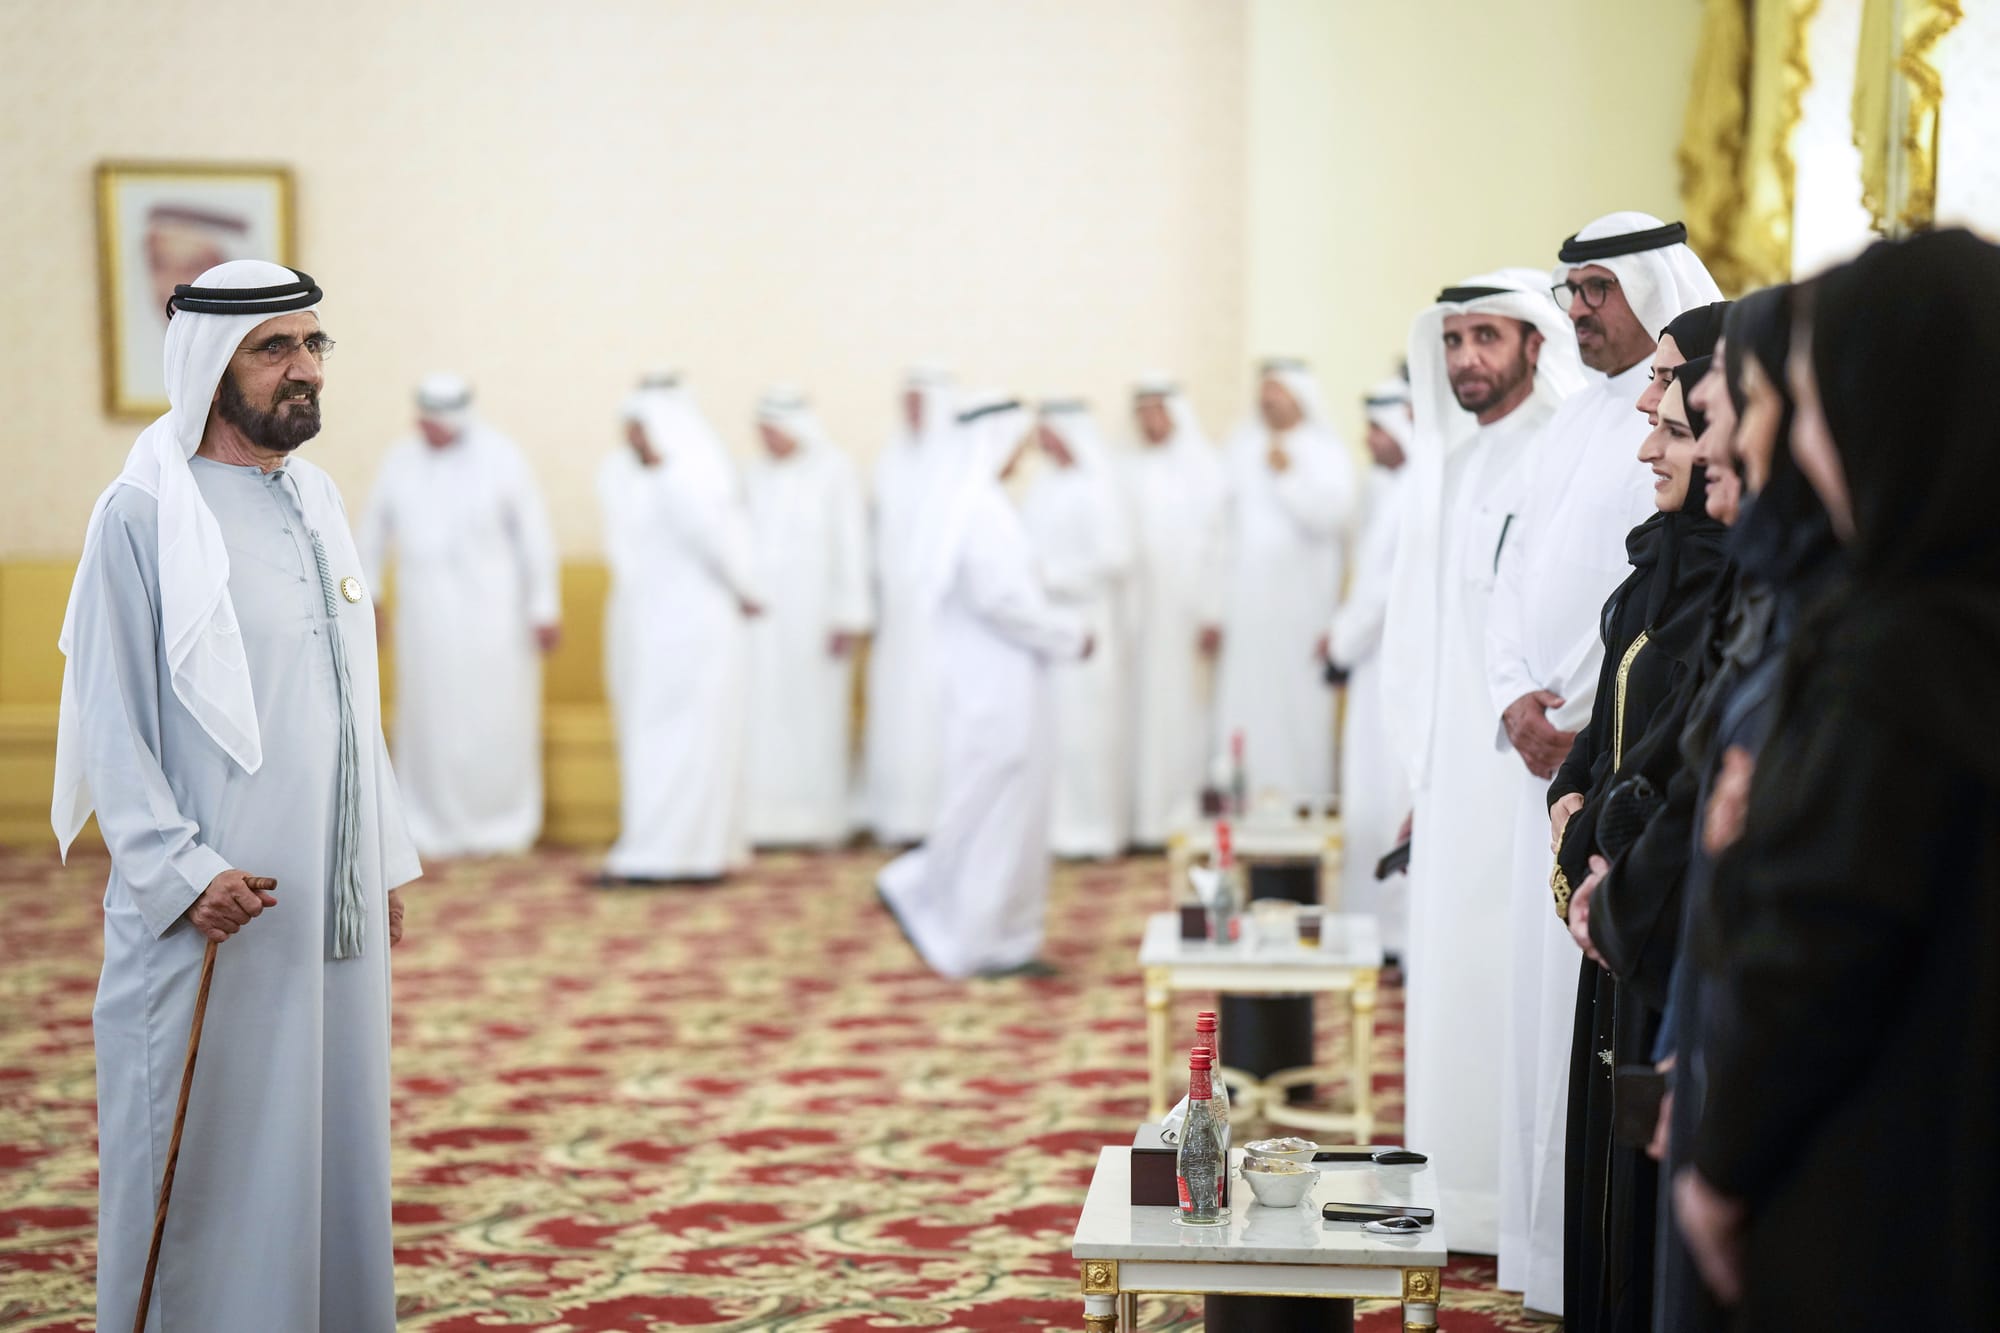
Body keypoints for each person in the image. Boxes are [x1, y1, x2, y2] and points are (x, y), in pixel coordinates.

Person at [55, 260, 420, 1332]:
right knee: (214, 1157)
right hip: (216, 910)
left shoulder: (317, 496)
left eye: (314, 346)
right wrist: (181, 869)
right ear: (211, 366)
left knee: (328, 1145)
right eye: (276, 350)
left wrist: (379, 856)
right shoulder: (139, 515)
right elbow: (110, 718)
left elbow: (353, 700)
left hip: (328, 904)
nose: (305, 370)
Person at [1678, 231, 2000, 1327]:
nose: (1802, 447)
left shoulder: (1893, 656)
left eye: (1812, 405)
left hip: (1879, 1188)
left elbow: (1810, 952)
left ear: (1892, 413)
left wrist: (1718, 1174)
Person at [1485, 213, 1720, 1315]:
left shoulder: (1722, 554)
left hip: (1633, 851)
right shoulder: (1572, 426)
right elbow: (1515, 570)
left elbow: (1654, 666)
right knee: (1561, 1071)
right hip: (1575, 809)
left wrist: (1580, 749)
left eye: (1595, 291)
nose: (1576, 311)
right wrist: (1523, 713)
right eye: (1567, 292)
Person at [1378, 271, 1584, 1259]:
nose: (1465, 360)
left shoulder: (1558, 449)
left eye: (1485, 339)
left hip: (1519, 775)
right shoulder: (1455, 464)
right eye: (1452, 342)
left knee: (1503, 985)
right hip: (1451, 781)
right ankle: (1452, 1197)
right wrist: (1419, 781)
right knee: (1448, 985)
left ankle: (1509, 1209)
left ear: (1534, 345)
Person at [1546, 370, 1732, 1333]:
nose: (1646, 445)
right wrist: (1569, 793)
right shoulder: (1655, 563)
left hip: (1664, 908)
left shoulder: (1731, 582)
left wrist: (1602, 836)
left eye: (1674, 419)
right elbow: (1612, 719)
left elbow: (1689, 749)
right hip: (1619, 899)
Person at [876, 394, 1092, 979]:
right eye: (1017, 443)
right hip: (997, 687)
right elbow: (1004, 602)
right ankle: (966, 929)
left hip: (1003, 682)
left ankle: (1004, 938)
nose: (1023, 456)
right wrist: (1070, 635)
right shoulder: (979, 510)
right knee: (994, 810)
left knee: (1009, 810)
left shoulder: (977, 505)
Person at [358, 373, 560, 858]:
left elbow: (535, 537)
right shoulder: (400, 461)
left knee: (495, 721)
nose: (423, 428)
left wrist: (544, 607)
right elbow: (369, 536)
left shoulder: (502, 458)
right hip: (425, 622)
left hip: (496, 624)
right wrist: (369, 598)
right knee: (430, 721)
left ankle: (503, 824)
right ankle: (428, 827)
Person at [599, 373, 763, 882]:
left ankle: (677, 853)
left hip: (692, 632)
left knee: (686, 741)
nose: (632, 438)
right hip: (660, 631)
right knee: (662, 741)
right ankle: (666, 848)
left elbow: (721, 550)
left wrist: (748, 592)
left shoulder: (684, 477)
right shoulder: (644, 479)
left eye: (639, 428)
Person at [1213, 359, 1357, 799]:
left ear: (1299, 396)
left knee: (1297, 707)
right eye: (1264, 392)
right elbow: (1220, 527)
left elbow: (1334, 518)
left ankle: (1299, 797)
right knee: (1247, 704)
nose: (1268, 400)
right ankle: (1245, 797)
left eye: (1277, 391)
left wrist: (1288, 475)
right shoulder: (1241, 447)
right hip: (1248, 607)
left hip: (1302, 610)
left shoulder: (1324, 451)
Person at [742, 388, 873, 847]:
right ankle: (762, 819)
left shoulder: (834, 471)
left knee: (814, 717)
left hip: (817, 621)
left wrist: (850, 615)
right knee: (761, 718)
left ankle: (816, 821)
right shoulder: (753, 475)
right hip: (761, 622)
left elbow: (852, 546)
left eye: (774, 430)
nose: (767, 440)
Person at [1021, 399, 1133, 858]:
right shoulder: (1044, 485)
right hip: (1048, 627)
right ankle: (1056, 830)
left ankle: (1093, 829)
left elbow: (1116, 558)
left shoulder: (1098, 485)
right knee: (1052, 729)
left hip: (1089, 623)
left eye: (1048, 432)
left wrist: (1056, 577)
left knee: (1088, 729)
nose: (1040, 441)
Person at [1325, 375, 1414, 947]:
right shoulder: (1396, 489)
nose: (1369, 441)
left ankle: (1389, 931)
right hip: (1373, 666)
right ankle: (1374, 927)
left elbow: (1381, 596)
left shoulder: (1411, 493)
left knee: (1388, 795)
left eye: (1378, 430)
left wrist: (1339, 644)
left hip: (1390, 672)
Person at [1122, 375, 1225, 848]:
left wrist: (1212, 610)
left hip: (1186, 619)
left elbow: (1218, 547)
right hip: (1141, 619)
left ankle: (1179, 818)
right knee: (1141, 719)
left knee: (1182, 716)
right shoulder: (1131, 469)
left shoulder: (1204, 469)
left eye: (1156, 410)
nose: (1148, 421)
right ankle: (1144, 821)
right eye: (1140, 411)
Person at [864, 366, 955, 844]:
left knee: (938, 711)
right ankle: (900, 816)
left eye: (922, 402)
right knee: (900, 712)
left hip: (945, 617)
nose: (913, 412)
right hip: (898, 618)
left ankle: (942, 816)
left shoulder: (957, 465)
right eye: (908, 402)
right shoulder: (890, 460)